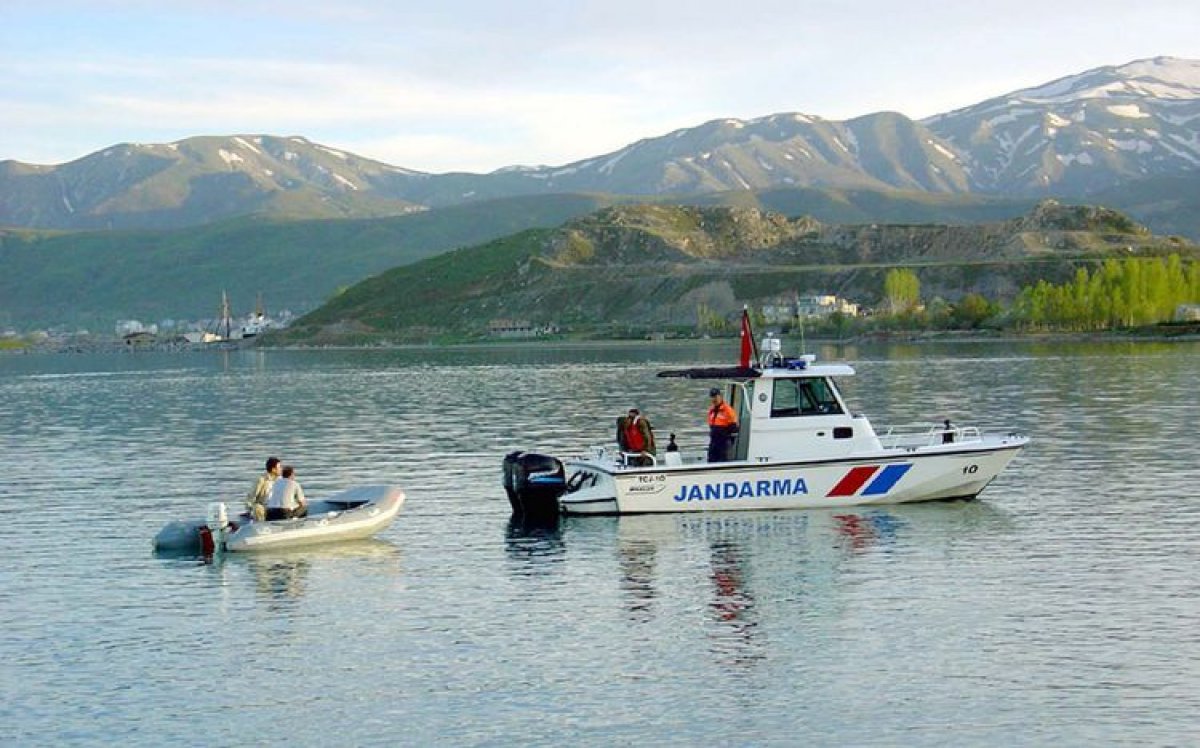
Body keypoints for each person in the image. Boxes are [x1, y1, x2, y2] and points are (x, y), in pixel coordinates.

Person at [706, 387, 738, 463]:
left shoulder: (728, 410)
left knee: (723, 460)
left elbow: (734, 427)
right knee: (711, 460)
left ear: (720, 396)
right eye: (712, 397)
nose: (714, 399)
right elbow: (711, 425)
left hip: (724, 441)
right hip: (713, 441)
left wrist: (726, 435)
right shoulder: (711, 410)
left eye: (716, 396)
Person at [246, 456, 281, 521]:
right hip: (264, 509)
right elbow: (250, 498)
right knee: (258, 507)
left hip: (277, 508)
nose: (281, 469)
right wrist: (250, 510)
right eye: (279, 467)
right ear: (273, 469)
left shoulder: (281, 480)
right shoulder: (262, 480)